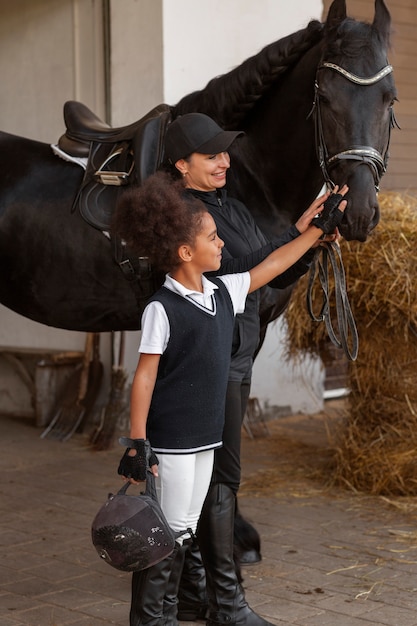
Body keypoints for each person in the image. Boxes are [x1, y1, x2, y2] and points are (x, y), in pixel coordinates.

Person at [113, 168, 347, 626]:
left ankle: (167, 614)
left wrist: (315, 231)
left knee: (183, 530)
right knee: (165, 532)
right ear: (186, 252)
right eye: (213, 238)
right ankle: (148, 620)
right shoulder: (162, 308)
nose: (222, 244)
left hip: (207, 440)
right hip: (175, 441)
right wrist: (137, 443)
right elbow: (143, 378)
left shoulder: (223, 291)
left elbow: (273, 267)